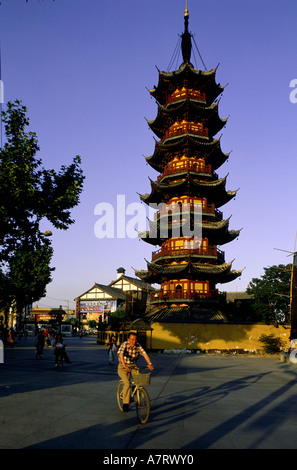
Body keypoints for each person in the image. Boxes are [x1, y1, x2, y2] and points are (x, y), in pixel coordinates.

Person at [117, 332, 154, 412]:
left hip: (133, 366)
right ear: (128, 339)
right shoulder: (125, 344)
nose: (134, 341)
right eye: (132, 339)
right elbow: (120, 354)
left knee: (139, 380)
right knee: (127, 383)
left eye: (135, 339)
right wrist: (124, 365)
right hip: (123, 366)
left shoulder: (138, 345)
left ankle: (135, 391)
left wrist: (150, 364)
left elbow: (144, 354)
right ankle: (125, 404)